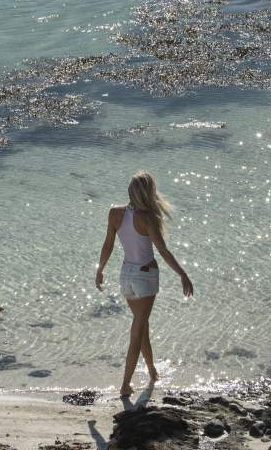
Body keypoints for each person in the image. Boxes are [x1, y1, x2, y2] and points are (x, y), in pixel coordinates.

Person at [95, 171, 194, 407]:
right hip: (145, 276)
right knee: (137, 329)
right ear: (148, 193)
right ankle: (125, 383)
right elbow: (162, 250)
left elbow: (108, 244)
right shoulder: (148, 217)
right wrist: (183, 274)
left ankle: (151, 371)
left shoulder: (114, 213)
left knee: (142, 323)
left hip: (126, 275)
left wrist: (99, 270)